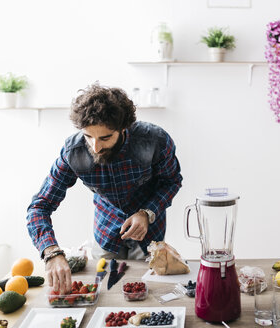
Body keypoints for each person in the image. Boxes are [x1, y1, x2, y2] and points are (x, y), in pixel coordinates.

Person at [26, 84, 183, 294]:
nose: (95, 147)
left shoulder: (154, 140)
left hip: (150, 236)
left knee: (147, 296)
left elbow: (171, 181)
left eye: (105, 138)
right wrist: (51, 252)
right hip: (106, 234)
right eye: (88, 136)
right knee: (106, 295)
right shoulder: (73, 152)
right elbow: (39, 207)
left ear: (123, 128)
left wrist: (147, 212)